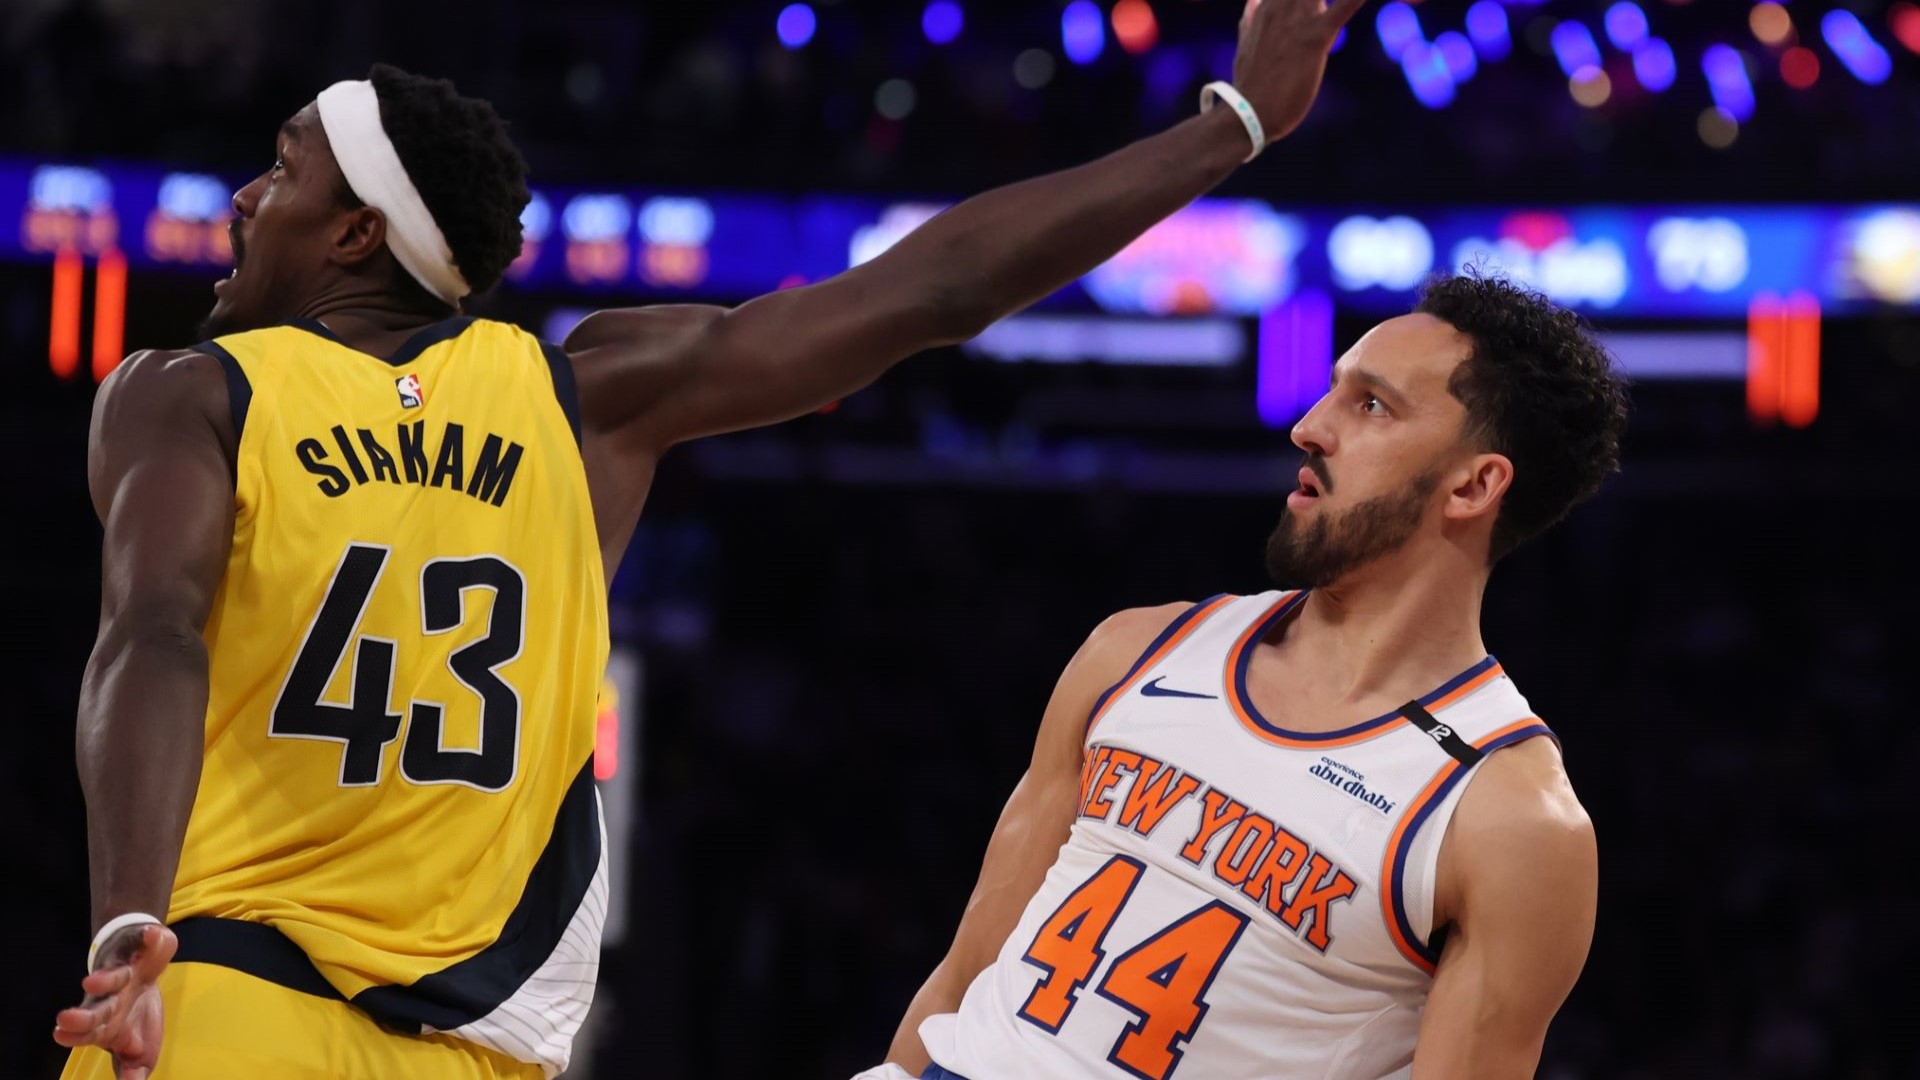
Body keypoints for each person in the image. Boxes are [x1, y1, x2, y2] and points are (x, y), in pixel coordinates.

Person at [50, 0, 1368, 1076]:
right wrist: (1231, 127)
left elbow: (152, 633)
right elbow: (937, 289)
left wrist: (128, 921)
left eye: (282, 169)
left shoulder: (194, 392)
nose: (243, 198)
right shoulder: (588, 398)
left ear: (356, 234)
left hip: (221, 1010)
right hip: (471, 1056)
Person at [862, 272, 1629, 1080]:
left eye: (1371, 405)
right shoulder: (1136, 649)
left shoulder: (1510, 817)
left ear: (1474, 485)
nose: (1309, 427)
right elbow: (962, 976)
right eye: (1332, 391)